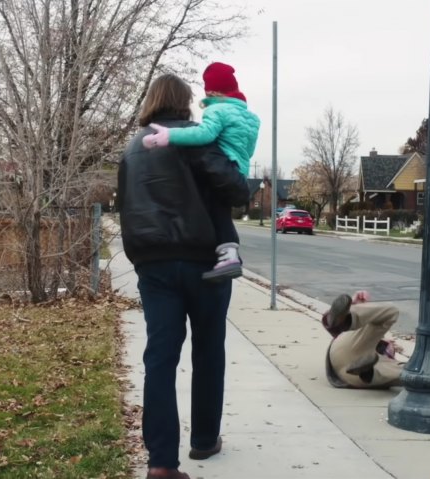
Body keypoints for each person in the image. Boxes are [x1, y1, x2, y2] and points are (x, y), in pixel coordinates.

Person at [117, 73, 250, 479]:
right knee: (208, 351)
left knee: (160, 357)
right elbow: (237, 191)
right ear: (186, 103)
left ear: (151, 102)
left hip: (154, 266)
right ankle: (204, 440)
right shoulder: (199, 139)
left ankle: (161, 463)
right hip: (206, 262)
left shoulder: (132, 149)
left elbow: (124, 204)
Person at [142, 62, 261, 282]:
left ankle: (230, 256)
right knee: (221, 211)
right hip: (239, 168)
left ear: (213, 91)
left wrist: (171, 136)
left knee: (213, 207)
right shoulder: (252, 118)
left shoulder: (217, 110)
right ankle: (230, 253)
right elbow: (249, 148)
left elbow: (204, 135)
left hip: (223, 163)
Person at [322, 291, 404, 389]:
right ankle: (348, 318)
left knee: (409, 371)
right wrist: (356, 306)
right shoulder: (366, 334)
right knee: (391, 311)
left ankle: (367, 372)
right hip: (349, 360)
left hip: (355, 373)